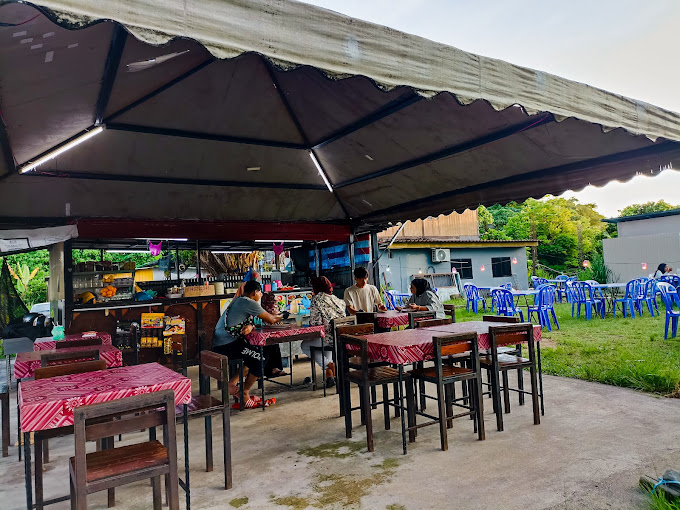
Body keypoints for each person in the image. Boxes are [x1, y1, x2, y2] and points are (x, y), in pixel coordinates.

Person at [212, 280, 283, 408]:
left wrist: (250, 325)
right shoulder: (248, 302)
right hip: (227, 345)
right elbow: (271, 319)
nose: (261, 295)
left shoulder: (237, 300)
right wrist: (283, 315)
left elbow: (248, 320)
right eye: (260, 292)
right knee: (261, 357)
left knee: (254, 354)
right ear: (255, 292)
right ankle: (244, 391)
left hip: (221, 342)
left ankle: (232, 383)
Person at [303, 276, 346, 386]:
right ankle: (329, 374)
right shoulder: (337, 299)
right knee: (324, 346)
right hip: (341, 337)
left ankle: (329, 365)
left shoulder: (316, 299)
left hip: (328, 337)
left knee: (305, 345)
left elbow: (315, 323)